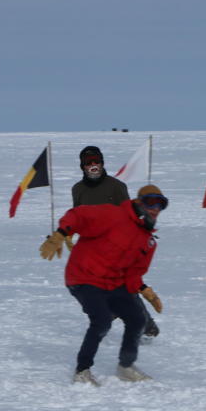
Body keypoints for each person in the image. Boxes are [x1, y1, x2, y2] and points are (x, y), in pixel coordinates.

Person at [40, 184, 167, 385]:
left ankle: (125, 366)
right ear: (138, 201)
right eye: (151, 202)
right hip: (83, 277)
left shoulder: (147, 241)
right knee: (102, 320)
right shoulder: (112, 215)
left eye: (161, 205)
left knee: (137, 319)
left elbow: (133, 273)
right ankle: (82, 370)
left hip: (113, 283)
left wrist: (145, 291)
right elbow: (78, 215)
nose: (155, 209)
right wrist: (61, 233)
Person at [69, 145, 160, 338]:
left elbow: (130, 213)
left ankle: (146, 326)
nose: (93, 166)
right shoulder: (77, 189)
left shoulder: (116, 187)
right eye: (88, 163)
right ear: (82, 166)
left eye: (96, 161)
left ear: (102, 163)